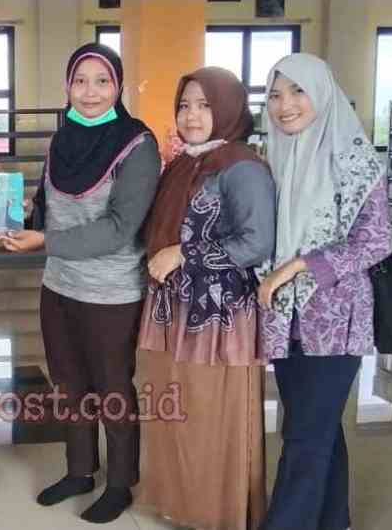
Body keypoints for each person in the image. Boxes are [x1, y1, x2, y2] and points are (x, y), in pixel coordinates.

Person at [3, 43, 161, 524]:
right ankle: (79, 471)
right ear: (67, 86)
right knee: (68, 383)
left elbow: (120, 227)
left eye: (102, 81)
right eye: (80, 81)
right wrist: (13, 205)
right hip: (59, 284)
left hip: (111, 292)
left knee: (112, 388)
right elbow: (46, 205)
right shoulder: (63, 138)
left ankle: (120, 483)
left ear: (118, 86)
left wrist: (46, 240)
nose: (90, 92)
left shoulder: (137, 144)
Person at [257, 53, 392, 530]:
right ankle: (334, 520)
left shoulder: (355, 159)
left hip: (335, 321)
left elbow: (376, 240)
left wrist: (299, 265)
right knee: (317, 427)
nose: (285, 105)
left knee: (304, 438)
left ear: (323, 93)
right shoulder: (275, 158)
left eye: (298, 91)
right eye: (275, 95)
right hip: (285, 320)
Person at [135, 67, 275, 530]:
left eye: (204, 105)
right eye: (184, 105)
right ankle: (184, 504)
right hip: (174, 307)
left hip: (218, 314)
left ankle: (219, 511)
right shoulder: (184, 164)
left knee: (213, 413)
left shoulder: (242, 166)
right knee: (179, 409)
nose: (191, 116)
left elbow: (256, 243)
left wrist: (183, 254)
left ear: (229, 108)